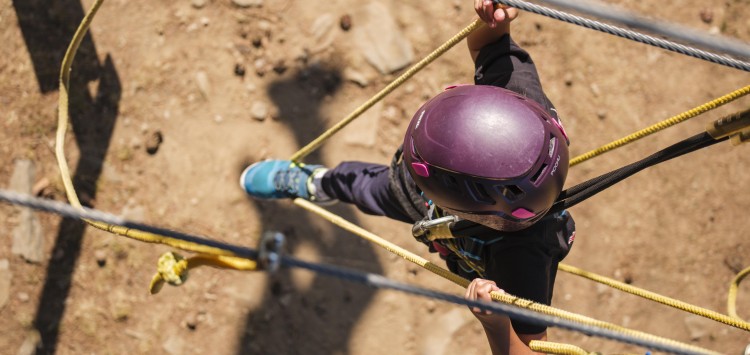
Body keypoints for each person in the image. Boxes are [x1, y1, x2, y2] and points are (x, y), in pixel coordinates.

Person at [240, 1, 576, 354]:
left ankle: (322, 184)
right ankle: (316, 183)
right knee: (361, 184)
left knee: (376, 188)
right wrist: (491, 22)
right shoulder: (518, 99)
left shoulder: (522, 261)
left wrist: (497, 324)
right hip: (445, 214)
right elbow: (487, 45)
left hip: (460, 241)